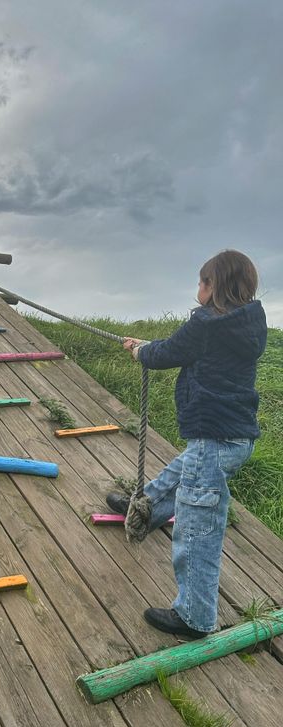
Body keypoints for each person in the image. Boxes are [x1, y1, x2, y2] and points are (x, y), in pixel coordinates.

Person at [107, 250, 267, 638]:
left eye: (202, 281)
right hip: (235, 435)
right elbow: (186, 347)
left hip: (212, 437)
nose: (198, 288)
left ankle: (195, 615)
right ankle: (146, 507)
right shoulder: (248, 322)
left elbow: (168, 353)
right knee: (181, 471)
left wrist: (141, 351)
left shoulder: (206, 324)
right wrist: (148, 344)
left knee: (197, 528)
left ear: (214, 287)